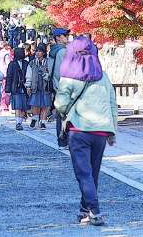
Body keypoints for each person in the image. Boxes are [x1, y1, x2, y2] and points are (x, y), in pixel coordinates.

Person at [55, 36, 117, 227]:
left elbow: (60, 104)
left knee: (83, 173)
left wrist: (65, 112)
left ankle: (95, 212)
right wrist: (112, 130)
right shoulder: (103, 77)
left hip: (79, 129)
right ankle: (84, 211)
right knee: (92, 173)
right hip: (101, 131)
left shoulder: (69, 78)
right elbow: (112, 104)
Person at [49, 28, 70, 146]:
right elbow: (63, 72)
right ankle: (65, 141)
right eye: (64, 35)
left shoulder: (53, 51)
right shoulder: (62, 52)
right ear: (58, 38)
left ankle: (62, 141)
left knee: (60, 115)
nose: (67, 37)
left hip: (57, 87)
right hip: (64, 87)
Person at [26, 47, 52, 129]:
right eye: (36, 51)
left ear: (43, 53)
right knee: (34, 104)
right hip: (35, 86)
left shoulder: (48, 62)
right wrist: (28, 86)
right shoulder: (32, 63)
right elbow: (28, 75)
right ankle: (35, 118)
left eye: (40, 51)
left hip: (46, 87)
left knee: (45, 105)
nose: (37, 53)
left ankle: (43, 122)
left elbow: (51, 73)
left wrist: (46, 75)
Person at [5, 47, 30, 130]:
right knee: (18, 106)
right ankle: (18, 123)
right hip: (16, 87)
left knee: (23, 107)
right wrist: (8, 89)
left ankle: (19, 122)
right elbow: (9, 77)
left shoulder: (26, 63)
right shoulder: (12, 64)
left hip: (24, 87)